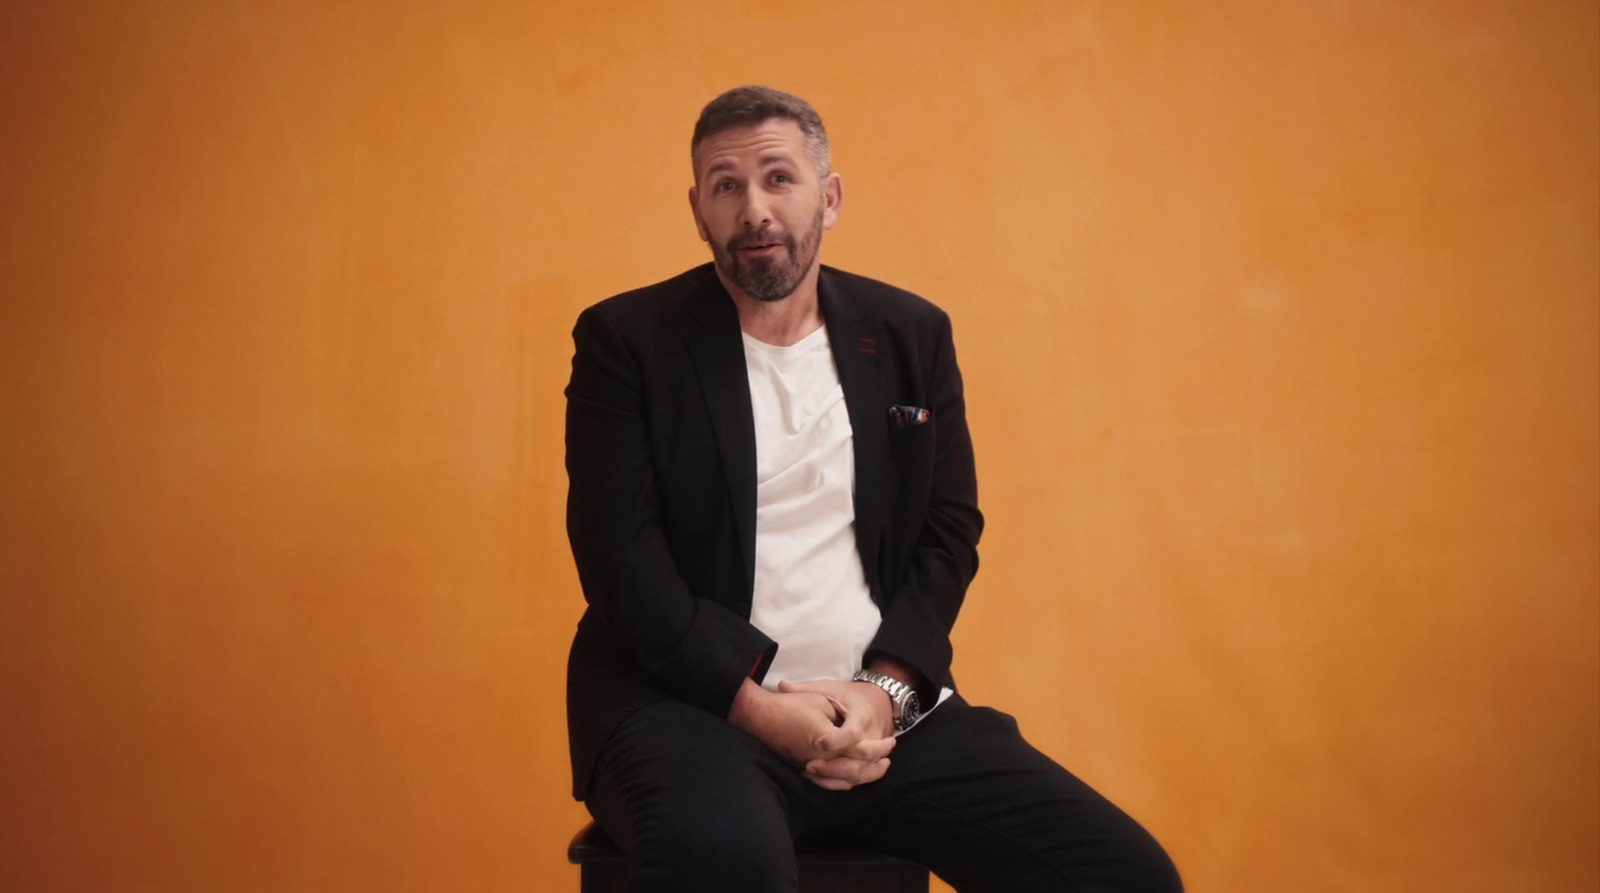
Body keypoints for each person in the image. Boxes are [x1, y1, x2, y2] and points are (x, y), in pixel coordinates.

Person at [564, 84, 1182, 892]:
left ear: (830, 195)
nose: (754, 208)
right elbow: (623, 564)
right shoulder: (627, 342)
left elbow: (946, 533)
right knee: (728, 866)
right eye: (726, 186)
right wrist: (756, 707)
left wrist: (885, 694)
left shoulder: (909, 334)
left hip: (882, 712)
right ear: (698, 210)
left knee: (1122, 874)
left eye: (778, 178)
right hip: (690, 706)